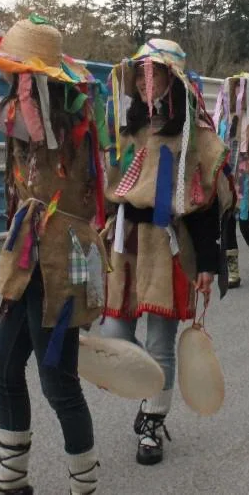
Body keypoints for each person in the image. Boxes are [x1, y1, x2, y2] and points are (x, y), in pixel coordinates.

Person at [0, 13, 104, 494]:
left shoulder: (38, 121)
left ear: (28, 77)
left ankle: (84, 488)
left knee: (59, 383)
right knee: (3, 368)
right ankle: (12, 481)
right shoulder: (56, 113)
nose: (4, 77)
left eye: (11, 69)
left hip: (54, 265)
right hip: (36, 259)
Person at [101, 38, 229, 465]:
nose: (144, 81)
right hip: (125, 242)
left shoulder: (193, 134)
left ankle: (153, 422)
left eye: (152, 73)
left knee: (160, 339)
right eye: (139, 74)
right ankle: (150, 389)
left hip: (167, 244)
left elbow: (204, 203)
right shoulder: (127, 130)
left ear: (172, 80)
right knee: (115, 333)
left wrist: (207, 261)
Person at [214, 72, 249, 287]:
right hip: (228, 177)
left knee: (246, 222)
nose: (240, 91)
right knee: (227, 222)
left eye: (245, 87)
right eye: (237, 87)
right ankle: (233, 270)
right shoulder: (226, 118)